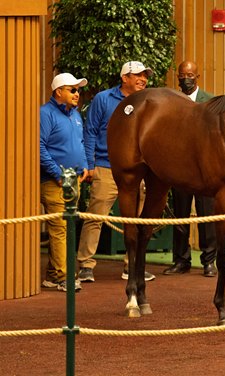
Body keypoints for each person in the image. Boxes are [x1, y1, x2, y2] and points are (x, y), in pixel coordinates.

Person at [76, 61, 156, 283]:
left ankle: (132, 266)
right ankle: (86, 264)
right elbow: (90, 131)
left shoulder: (146, 100)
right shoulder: (103, 99)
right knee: (95, 216)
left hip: (136, 171)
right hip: (105, 166)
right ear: (124, 77)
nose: (143, 79)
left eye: (145, 76)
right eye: (138, 75)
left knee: (138, 220)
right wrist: (89, 164)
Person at [163, 60, 218, 277]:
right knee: (180, 216)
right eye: (182, 75)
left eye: (190, 75)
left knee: (207, 215)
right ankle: (181, 259)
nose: (186, 79)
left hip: (205, 168)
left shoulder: (211, 101)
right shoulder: (170, 101)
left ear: (198, 76)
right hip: (180, 167)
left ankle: (209, 261)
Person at [40, 73, 89, 292]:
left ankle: (53, 274)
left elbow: (80, 142)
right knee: (61, 228)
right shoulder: (45, 113)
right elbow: (39, 147)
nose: (77, 94)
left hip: (74, 178)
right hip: (55, 181)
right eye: (72, 89)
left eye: (78, 90)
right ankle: (64, 277)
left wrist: (85, 164)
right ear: (58, 91)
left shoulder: (76, 115)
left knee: (68, 226)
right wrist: (57, 174)